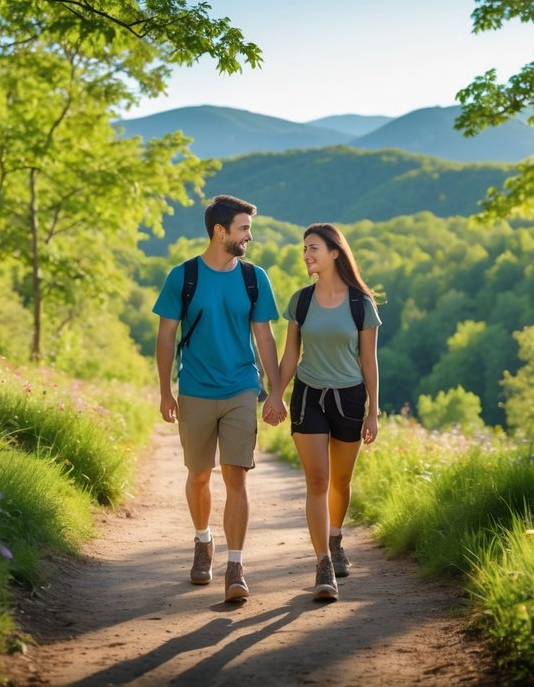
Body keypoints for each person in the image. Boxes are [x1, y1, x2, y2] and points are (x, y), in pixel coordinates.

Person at [153, 194, 286, 602]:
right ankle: (202, 540)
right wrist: (165, 391)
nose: (250, 235)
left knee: (237, 476)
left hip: (241, 388)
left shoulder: (254, 277)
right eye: (244, 228)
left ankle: (236, 565)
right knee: (198, 475)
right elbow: (166, 336)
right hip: (194, 388)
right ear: (220, 231)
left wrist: (277, 391)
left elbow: (264, 335)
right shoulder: (183, 276)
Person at [275, 223, 380, 602]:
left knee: (340, 481)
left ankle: (336, 538)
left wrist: (373, 412)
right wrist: (275, 394)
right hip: (309, 396)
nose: (306, 255)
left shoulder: (360, 304)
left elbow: (369, 361)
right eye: (304, 248)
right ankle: (322, 563)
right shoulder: (300, 301)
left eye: (313, 248)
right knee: (318, 481)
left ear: (335, 252)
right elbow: (290, 356)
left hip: (350, 399)